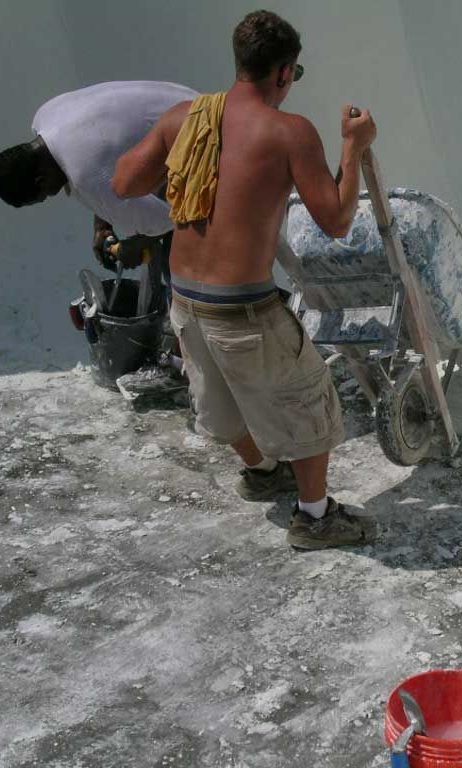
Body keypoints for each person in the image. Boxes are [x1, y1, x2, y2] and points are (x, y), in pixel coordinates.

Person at [111, 10, 378, 549]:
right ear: (283, 72)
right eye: (294, 75)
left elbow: (124, 182)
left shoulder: (185, 118)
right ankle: (316, 515)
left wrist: (182, 150)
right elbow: (337, 220)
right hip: (243, 308)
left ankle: (260, 472)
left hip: (184, 299)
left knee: (220, 399)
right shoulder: (290, 132)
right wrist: (355, 146)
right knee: (306, 400)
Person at [0, 80, 199, 304]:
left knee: (179, 267)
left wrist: (137, 244)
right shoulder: (45, 116)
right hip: (194, 107)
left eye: (45, 195)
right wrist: (102, 225)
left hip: (209, 140)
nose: (53, 195)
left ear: (41, 180)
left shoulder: (84, 175)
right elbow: (107, 155)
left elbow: (167, 220)